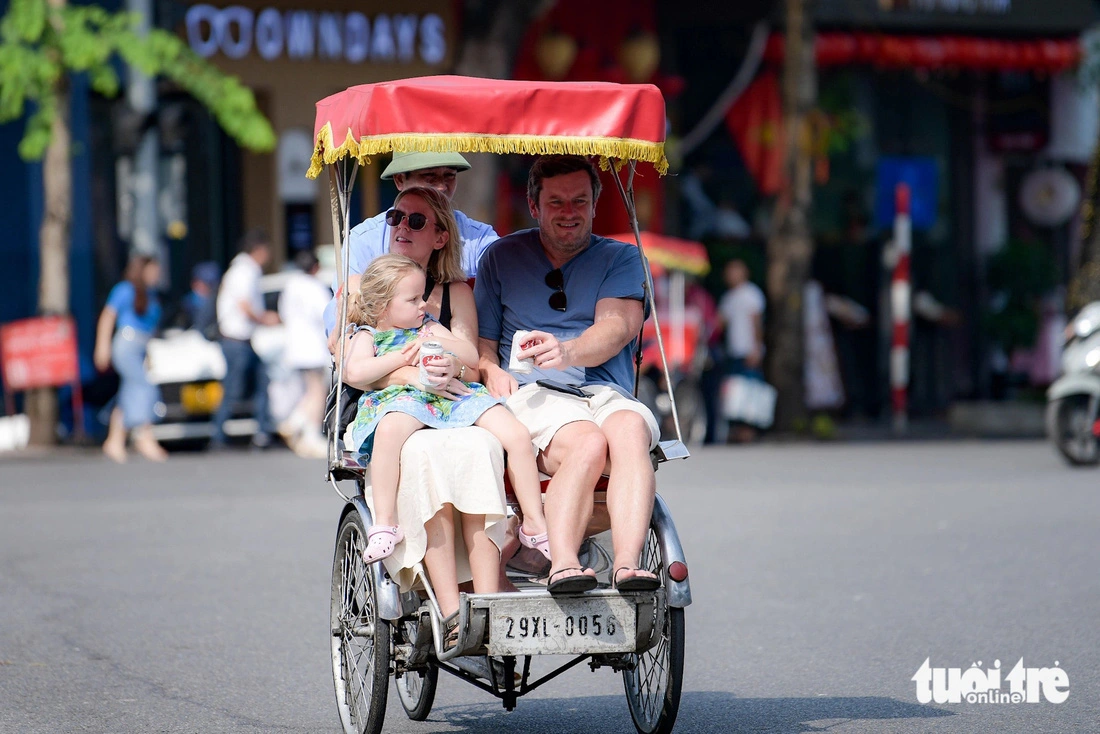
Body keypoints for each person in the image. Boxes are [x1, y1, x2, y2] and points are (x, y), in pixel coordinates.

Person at [474, 155, 663, 595]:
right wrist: (488, 370)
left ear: (596, 204)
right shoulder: (501, 257)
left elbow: (617, 328)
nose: (569, 212)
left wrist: (568, 350)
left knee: (631, 428)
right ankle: (561, 562)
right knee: (587, 441)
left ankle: (627, 564)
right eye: (556, 201)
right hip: (532, 392)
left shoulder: (621, 257)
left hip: (602, 388)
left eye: (580, 200)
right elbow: (482, 347)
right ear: (534, 205)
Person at [335, 186, 514, 624]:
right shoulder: (363, 285)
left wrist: (443, 367)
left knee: (482, 450)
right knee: (420, 458)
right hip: (394, 406)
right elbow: (344, 353)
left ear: (439, 235)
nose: (400, 227)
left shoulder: (454, 292)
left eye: (416, 221)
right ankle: (451, 610)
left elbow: (471, 366)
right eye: (396, 217)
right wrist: (409, 374)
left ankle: (488, 600)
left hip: (450, 404)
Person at [342, 254, 551, 575]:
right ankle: (384, 523)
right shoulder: (368, 335)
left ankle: (534, 523)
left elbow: (468, 354)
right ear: (384, 306)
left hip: (452, 395)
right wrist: (400, 359)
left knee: (517, 434)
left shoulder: (427, 326)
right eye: (413, 299)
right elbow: (355, 372)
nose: (423, 304)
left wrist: (447, 353)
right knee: (387, 433)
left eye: (422, 296)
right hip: (403, 398)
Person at [323, 151, 499, 338]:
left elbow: (507, 290)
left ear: (442, 238)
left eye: (449, 176)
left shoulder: (480, 238)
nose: (441, 186)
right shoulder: (363, 239)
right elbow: (342, 315)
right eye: (429, 177)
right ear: (399, 180)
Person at [93, 254, 168, 463]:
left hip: (142, 346)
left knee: (128, 392)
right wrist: (102, 346)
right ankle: (144, 434)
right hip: (126, 344)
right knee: (144, 387)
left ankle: (115, 440)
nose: (156, 275)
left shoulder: (151, 294)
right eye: (152, 270)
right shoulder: (125, 289)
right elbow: (108, 317)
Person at [211, 230, 280, 450]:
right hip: (236, 340)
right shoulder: (244, 270)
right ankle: (219, 436)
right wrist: (264, 318)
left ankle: (261, 433)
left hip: (241, 340)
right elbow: (244, 304)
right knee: (234, 388)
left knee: (260, 382)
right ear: (258, 250)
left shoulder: (241, 269)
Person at [277, 250, 331, 458]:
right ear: (315, 267)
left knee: (310, 390)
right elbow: (326, 313)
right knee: (317, 391)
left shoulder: (290, 286)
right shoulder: (314, 287)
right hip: (313, 347)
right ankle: (307, 432)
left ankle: (295, 423)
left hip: (294, 346)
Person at [718, 259, 766, 442]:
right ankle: (739, 430)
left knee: (750, 391)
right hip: (734, 351)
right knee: (736, 392)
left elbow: (757, 323)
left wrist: (757, 348)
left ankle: (750, 430)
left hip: (748, 350)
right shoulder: (729, 297)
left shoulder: (751, 294)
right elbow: (720, 322)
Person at [180, 261, 220, 338]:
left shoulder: (217, 303)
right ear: (194, 283)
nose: (209, 289)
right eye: (206, 284)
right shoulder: (185, 305)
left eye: (212, 285)